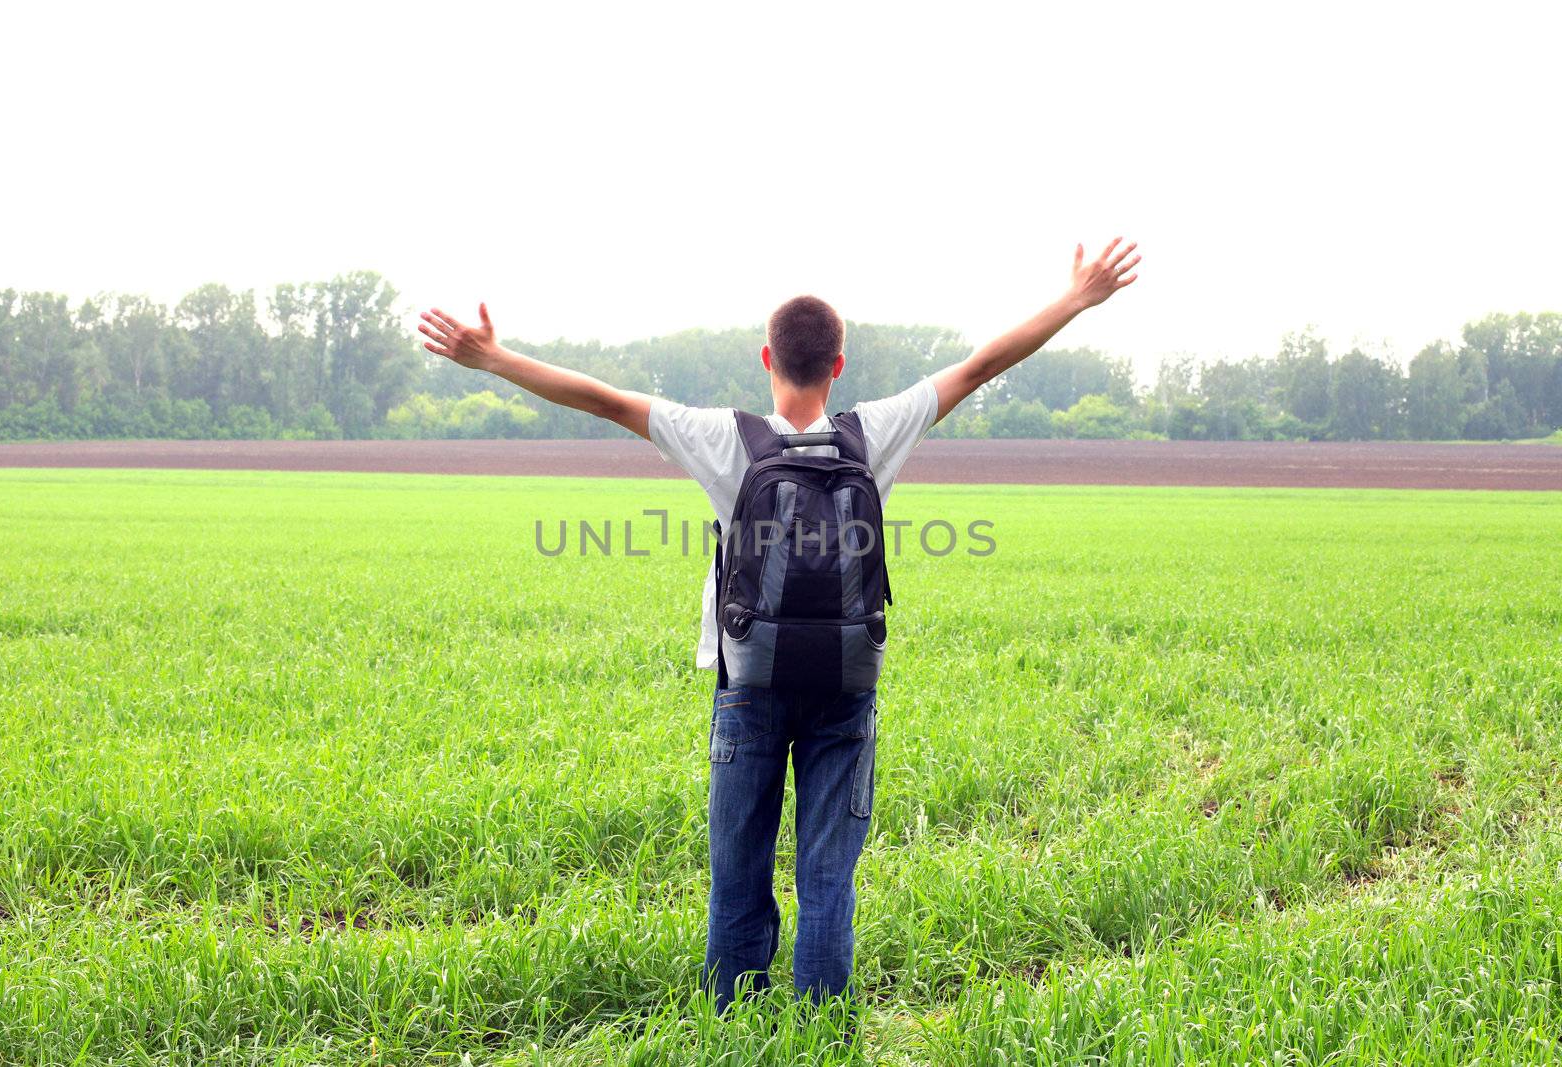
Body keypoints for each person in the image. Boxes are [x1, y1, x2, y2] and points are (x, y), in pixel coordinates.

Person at [418, 238, 1140, 1009]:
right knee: (827, 878)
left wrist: (492, 358)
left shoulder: (724, 439)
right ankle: (823, 1035)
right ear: (837, 363)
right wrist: (1075, 299)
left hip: (748, 683)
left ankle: (736, 1030)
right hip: (845, 686)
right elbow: (979, 366)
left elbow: (605, 398)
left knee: (739, 873)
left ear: (768, 357)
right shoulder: (874, 432)